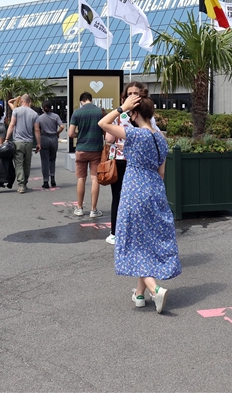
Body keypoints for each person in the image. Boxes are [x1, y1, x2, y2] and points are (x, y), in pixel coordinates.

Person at [98, 94, 179, 314]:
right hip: (155, 190)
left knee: (134, 241)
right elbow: (161, 172)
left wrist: (120, 108)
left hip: (134, 190)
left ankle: (154, 289)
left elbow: (103, 124)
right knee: (146, 241)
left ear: (134, 113)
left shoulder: (135, 134)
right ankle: (140, 295)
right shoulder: (160, 138)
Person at [104, 81, 157, 245]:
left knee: (118, 197)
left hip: (120, 159)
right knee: (136, 198)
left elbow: (109, 138)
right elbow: (155, 135)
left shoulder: (118, 115)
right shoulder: (147, 116)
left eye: (135, 94)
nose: (133, 96)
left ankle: (115, 232)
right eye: (130, 94)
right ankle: (137, 232)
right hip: (137, 161)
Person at [68, 92, 105, 218]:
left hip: (81, 149)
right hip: (96, 150)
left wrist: (80, 135)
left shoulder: (77, 113)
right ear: (91, 99)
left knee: (81, 178)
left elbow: (70, 133)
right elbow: (105, 131)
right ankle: (93, 210)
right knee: (95, 179)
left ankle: (79, 208)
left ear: (81, 101)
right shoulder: (100, 112)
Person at [4, 94, 41, 194]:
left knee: (19, 164)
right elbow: (36, 129)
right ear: (30, 102)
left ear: (21, 101)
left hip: (18, 141)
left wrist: (7, 138)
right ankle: (25, 183)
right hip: (29, 142)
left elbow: (12, 125)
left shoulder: (16, 111)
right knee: (27, 164)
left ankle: (21, 185)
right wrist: (38, 143)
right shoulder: (34, 114)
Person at [37, 101, 64, 189]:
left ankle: (45, 181)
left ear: (42, 108)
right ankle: (52, 178)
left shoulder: (39, 118)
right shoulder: (56, 116)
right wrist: (57, 132)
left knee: (44, 160)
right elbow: (62, 126)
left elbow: (37, 129)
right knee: (52, 159)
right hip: (53, 138)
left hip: (44, 138)